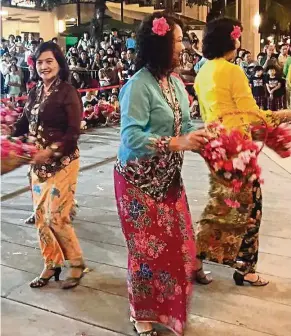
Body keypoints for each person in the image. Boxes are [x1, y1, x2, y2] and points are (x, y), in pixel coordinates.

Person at [114, 12, 209, 336]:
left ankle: (168, 310)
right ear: (160, 43)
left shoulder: (175, 83)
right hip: (137, 183)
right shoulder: (137, 86)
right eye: (178, 41)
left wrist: (203, 136)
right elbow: (131, 137)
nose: (183, 47)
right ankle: (142, 314)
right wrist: (176, 142)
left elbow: (185, 124)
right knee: (145, 252)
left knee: (181, 248)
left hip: (169, 179)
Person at [194, 17, 291, 287]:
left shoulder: (203, 71)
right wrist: (284, 115)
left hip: (215, 148)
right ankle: (245, 269)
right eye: (237, 36)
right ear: (230, 39)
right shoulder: (232, 71)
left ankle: (196, 260)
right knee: (251, 208)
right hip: (237, 150)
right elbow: (253, 116)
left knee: (219, 206)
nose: (238, 41)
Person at [11, 41, 86, 289]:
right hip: (38, 166)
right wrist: (8, 132)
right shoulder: (35, 92)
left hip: (63, 163)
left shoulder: (68, 92)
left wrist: (51, 151)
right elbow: (23, 123)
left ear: (59, 63)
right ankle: (50, 263)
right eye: (40, 62)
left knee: (56, 216)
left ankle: (76, 263)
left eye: (49, 61)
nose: (44, 66)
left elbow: (73, 132)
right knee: (42, 219)